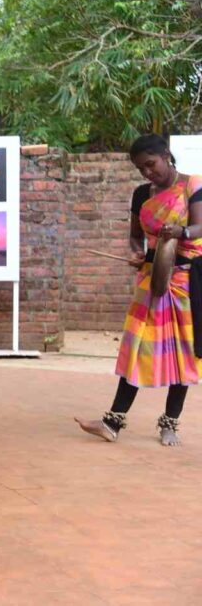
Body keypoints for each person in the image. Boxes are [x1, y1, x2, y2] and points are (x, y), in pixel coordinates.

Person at [77, 134, 199, 446]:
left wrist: (181, 232)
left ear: (166, 156)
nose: (147, 172)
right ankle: (112, 423)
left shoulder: (193, 186)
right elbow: (135, 236)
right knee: (136, 347)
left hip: (186, 279)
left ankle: (170, 424)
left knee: (183, 353)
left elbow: (200, 227)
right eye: (140, 168)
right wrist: (136, 252)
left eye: (150, 164)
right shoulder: (141, 194)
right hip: (152, 278)